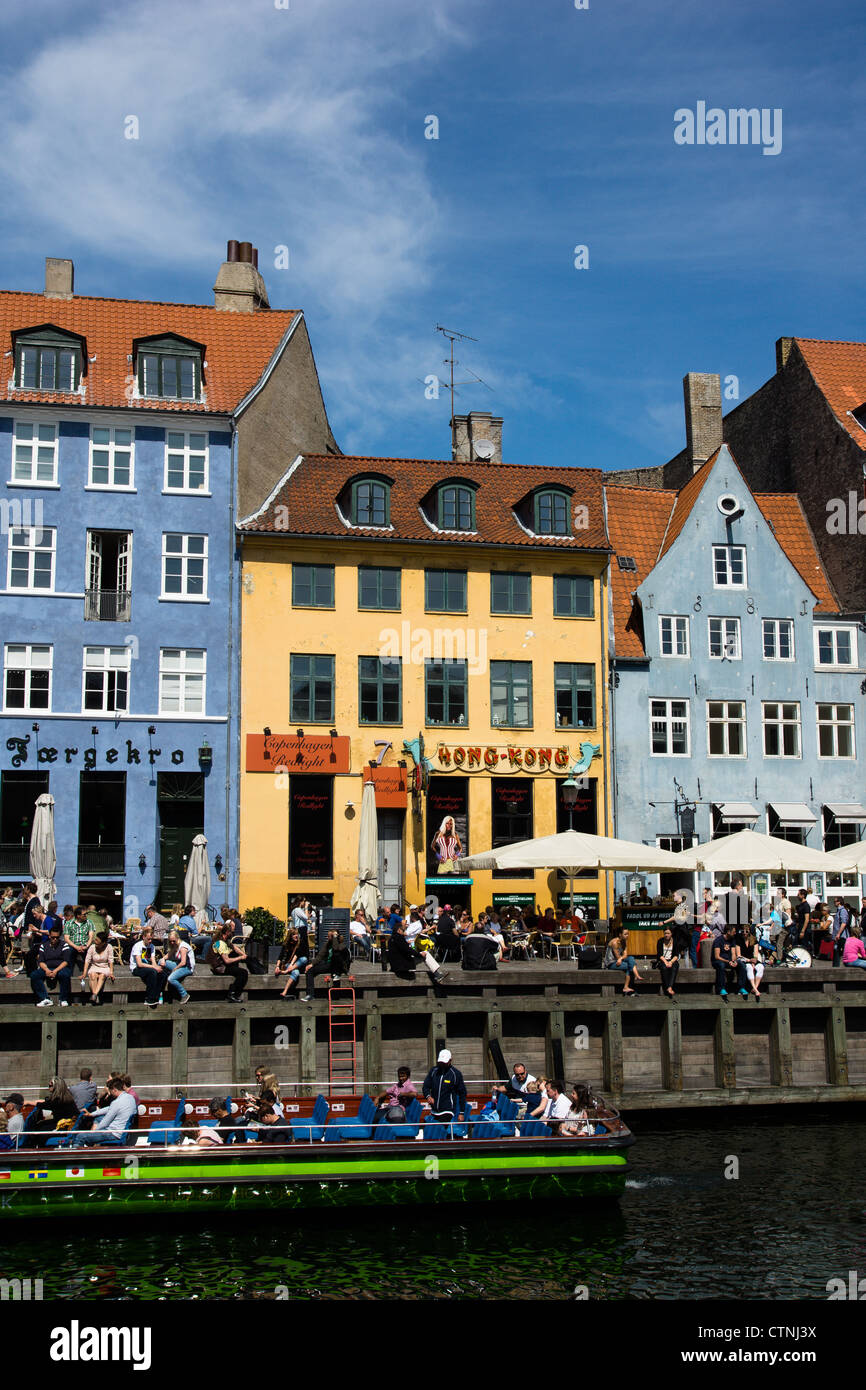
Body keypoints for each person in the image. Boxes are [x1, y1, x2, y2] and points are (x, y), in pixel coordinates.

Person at [72, 1077, 137, 1147]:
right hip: (122, 1132)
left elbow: (105, 1122)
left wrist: (94, 1133)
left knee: (80, 1136)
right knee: (98, 1119)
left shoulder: (117, 1102)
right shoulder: (130, 1098)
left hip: (113, 1133)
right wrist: (92, 1114)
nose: (110, 1093)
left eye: (111, 1091)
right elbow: (109, 1108)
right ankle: (91, 1149)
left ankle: (76, 1157)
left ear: (115, 1090)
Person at [30, 924, 73, 1007]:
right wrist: (47, 970)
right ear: (49, 936)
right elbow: (41, 961)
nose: (55, 939)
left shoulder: (64, 945)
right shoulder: (44, 945)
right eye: (53, 937)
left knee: (65, 974)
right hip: (47, 967)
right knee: (34, 975)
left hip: (61, 967)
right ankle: (45, 998)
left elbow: (66, 961)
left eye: (57, 937)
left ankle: (63, 999)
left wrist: (56, 970)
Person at [301, 928, 350, 1001]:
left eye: (329, 936)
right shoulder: (327, 944)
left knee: (336, 955)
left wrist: (335, 938)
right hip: (329, 965)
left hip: (339, 967)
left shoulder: (342, 945)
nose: (328, 938)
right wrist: (312, 964)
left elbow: (336, 949)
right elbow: (320, 955)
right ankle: (310, 994)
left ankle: (336, 976)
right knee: (310, 970)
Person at [421, 1049, 467, 1123]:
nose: (442, 1064)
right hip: (434, 1110)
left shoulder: (455, 1074)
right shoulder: (433, 1071)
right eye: (441, 1062)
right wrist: (428, 1096)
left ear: (450, 1060)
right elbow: (425, 1086)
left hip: (448, 1110)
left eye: (444, 1062)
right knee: (431, 1129)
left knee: (439, 1129)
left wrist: (461, 1113)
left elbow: (462, 1093)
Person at [209, 923, 249, 1002]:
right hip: (220, 967)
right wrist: (240, 957)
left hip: (223, 965)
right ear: (227, 932)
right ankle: (232, 994)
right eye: (232, 932)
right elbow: (226, 961)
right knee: (243, 973)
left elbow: (235, 948)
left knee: (234, 953)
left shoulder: (225, 940)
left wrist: (244, 955)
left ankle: (233, 992)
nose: (233, 934)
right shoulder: (220, 943)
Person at [130, 926, 166, 1007]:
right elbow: (139, 964)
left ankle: (156, 996)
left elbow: (153, 962)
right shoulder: (138, 946)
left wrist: (158, 967)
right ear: (143, 937)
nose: (150, 941)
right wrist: (154, 968)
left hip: (146, 966)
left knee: (162, 974)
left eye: (151, 939)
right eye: (148, 939)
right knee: (152, 972)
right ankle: (149, 998)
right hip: (136, 968)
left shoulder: (151, 946)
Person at [713, 924, 747, 999]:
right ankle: (721, 988)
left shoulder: (732, 940)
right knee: (721, 965)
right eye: (734, 932)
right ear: (728, 932)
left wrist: (733, 961)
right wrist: (728, 961)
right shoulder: (718, 940)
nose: (735, 933)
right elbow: (717, 956)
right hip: (719, 961)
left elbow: (733, 954)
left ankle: (741, 987)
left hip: (729, 961)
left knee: (741, 964)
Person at [603, 928, 642, 995]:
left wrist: (621, 959)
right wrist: (621, 958)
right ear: (620, 935)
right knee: (629, 966)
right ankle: (627, 986)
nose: (627, 936)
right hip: (611, 963)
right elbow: (617, 956)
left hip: (619, 960)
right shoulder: (615, 942)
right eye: (625, 934)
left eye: (628, 934)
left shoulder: (624, 941)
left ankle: (636, 976)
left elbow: (625, 955)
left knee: (631, 958)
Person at [163, 930, 195, 1003]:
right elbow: (169, 955)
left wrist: (175, 969)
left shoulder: (183, 947)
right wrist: (162, 960)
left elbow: (183, 962)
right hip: (179, 965)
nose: (172, 943)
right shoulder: (175, 945)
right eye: (170, 941)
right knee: (162, 962)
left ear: (178, 938)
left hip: (187, 967)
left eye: (173, 941)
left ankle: (184, 994)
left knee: (170, 979)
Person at [83, 931, 115, 1005]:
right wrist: (84, 973)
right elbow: (87, 960)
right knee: (93, 975)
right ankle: (96, 996)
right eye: (96, 939)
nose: (95, 941)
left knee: (102, 976)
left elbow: (111, 960)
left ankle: (94, 994)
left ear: (103, 943)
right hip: (94, 966)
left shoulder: (109, 947)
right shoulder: (92, 947)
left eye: (97, 941)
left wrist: (111, 973)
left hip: (104, 967)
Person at [275, 928, 308, 997]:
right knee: (296, 973)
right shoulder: (286, 944)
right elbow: (280, 957)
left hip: (297, 964)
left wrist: (291, 965)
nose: (296, 936)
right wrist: (277, 966)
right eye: (294, 934)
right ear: (290, 936)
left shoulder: (300, 943)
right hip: (289, 964)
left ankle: (286, 972)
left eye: (297, 934)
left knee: (304, 959)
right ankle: (285, 991)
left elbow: (297, 955)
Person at [740, 926, 764, 999]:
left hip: (752, 959)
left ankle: (754, 988)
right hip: (744, 959)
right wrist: (749, 961)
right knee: (749, 967)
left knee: (761, 967)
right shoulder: (739, 940)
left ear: (749, 932)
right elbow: (738, 955)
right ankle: (756, 989)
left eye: (746, 931)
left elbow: (756, 954)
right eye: (743, 931)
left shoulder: (754, 940)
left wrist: (754, 961)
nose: (744, 933)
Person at [655, 925, 679, 998]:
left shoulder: (675, 941)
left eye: (668, 933)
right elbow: (659, 955)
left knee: (674, 967)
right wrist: (666, 962)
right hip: (663, 960)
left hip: (672, 960)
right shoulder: (660, 941)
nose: (666, 935)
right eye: (665, 933)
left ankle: (670, 987)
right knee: (664, 968)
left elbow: (676, 955)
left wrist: (671, 962)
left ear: (671, 934)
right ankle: (668, 987)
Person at [831, 897, 852, 968]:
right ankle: (836, 967)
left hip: (841, 936)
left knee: (840, 951)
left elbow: (843, 923)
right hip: (838, 935)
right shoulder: (838, 911)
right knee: (836, 951)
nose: (834, 903)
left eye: (835, 901)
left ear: (839, 902)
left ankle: (840, 966)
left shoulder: (842, 911)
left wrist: (838, 934)